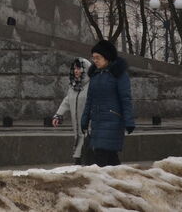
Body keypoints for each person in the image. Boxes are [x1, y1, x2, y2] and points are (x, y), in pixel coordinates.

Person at [80, 39, 135, 167]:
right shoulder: (95, 75)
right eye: (93, 58)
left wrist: (129, 121)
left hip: (113, 122)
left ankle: (102, 184)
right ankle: (122, 181)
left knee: (101, 157)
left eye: (98, 57)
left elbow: (125, 99)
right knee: (110, 159)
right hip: (97, 122)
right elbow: (90, 100)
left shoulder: (119, 75)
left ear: (107, 57)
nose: (95, 61)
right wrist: (84, 119)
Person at [52, 57, 92, 165]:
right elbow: (67, 100)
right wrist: (58, 115)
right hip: (78, 129)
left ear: (86, 69)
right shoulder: (73, 86)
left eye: (79, 68)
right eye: (74, 69)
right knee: (79, 151)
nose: (76, 71)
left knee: (86, 156)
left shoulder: (92, 85)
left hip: (90, 129)